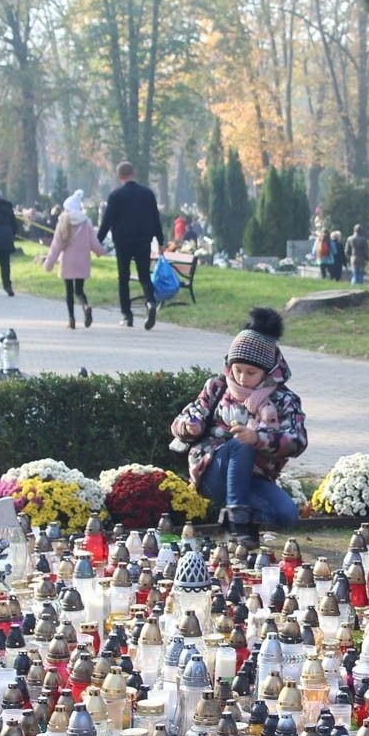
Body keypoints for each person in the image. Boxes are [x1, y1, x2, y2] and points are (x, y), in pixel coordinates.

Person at [170, 307, 308, 549]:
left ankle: (240, 525)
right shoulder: (217, 387)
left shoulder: (284, 400)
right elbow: (181, 420)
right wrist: (189, 427)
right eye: (237, 370)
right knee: (240, 446)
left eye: (251, 372)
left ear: (267, 372)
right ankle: (237, 521)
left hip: (255, 476)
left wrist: (259, 438)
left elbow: (297, 440)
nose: (242, 378)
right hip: (213, 470)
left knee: (286, 515)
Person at [97, 161, 165, 329]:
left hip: (123, 241)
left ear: (119, 176)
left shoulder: (115, 196)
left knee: (123, 278)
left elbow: (107, 221)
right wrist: (160, 241)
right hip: (143, 240)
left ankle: (127, 315)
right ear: (133, 173)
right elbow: (156, 219)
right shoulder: (148, 194)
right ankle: (150, 302)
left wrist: (97, 242)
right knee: (144, 276)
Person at [44, 190, 104, 330]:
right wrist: (100, 252)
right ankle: (86, 306)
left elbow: (56, 246)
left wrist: (49, 263)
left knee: (69, 291)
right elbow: (93, 242)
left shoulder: (63, 222)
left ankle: (71, 320)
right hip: (83, 260)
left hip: (68, 262)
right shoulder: (86, 222)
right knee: (79, 290)